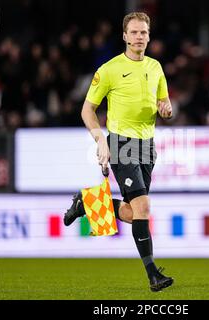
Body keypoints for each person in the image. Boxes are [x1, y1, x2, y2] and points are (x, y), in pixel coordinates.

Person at [63, 12, 174, 292]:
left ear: (149, 36)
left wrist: (167, 110)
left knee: (134, 212)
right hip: (121, 144)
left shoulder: (156, 68)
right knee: (143, 207)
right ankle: (153, 276)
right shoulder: (109, 69)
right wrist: (100, 139)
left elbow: (164, 103)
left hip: (148, 146)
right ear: (125, 36)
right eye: (134, 32)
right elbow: (87, 109)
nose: (139, 37)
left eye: (144, 33)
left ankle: (86, 204)